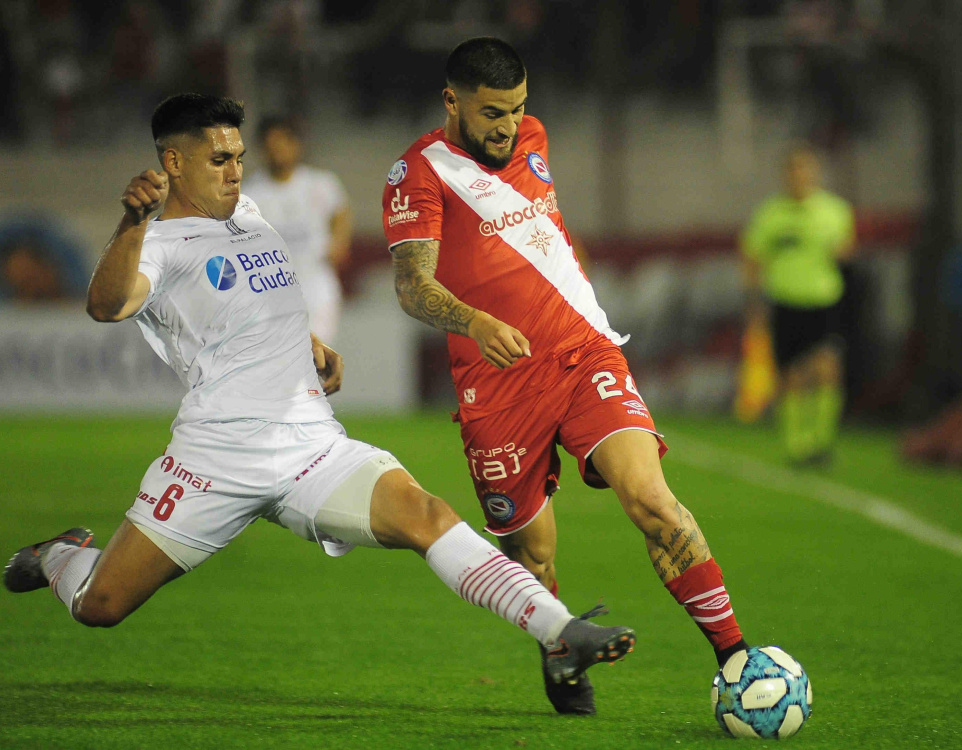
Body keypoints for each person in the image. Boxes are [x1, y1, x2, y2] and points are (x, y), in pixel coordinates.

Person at [2, 93, 636, 695]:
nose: (235, 172)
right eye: (218, 160)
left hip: (310, 444)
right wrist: (132, 220)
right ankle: (60, 557)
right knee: (101, 606)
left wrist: (307, 344)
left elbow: (254, 301)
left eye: (239, 156)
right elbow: (106, 305)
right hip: (216, 457)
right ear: (173, 162)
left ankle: (562, 632)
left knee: (427, 516)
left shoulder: (248, 215)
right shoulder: (158, 246)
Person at [382, 38, 749, 716]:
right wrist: (476, 322)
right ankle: (559, 649)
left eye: (519, 109)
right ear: (452, 101)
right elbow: (411, 287)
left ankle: (737, 657)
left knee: (652, 499)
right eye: (493, 112)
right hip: (495, 387)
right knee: (535, 553)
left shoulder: (534, 137)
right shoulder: (418, 173)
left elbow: (539, 227)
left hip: (583, 356)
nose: (509, 126)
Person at [741, 145, 855, 464]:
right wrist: (754, 301)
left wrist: (842, 253)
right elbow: (753, 258)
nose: (800, 176)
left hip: (824, 300)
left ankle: (822, 440)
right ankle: (796, 444)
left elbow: (847, 251)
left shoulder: (835, 211)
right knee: (790, 374)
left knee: (827, 367)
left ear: (815, 174)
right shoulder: (770, 214)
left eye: (806, 170)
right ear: (785, 175)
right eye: (794, 170)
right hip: (785, 301)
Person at [242, 116, 351, 343]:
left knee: (316, 358)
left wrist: (339, 242)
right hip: (270, 292)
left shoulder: (321, 183)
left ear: (296, 144)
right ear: (262, 148)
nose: (278, 150)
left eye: (283, 142)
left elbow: (340, 211)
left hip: (316, 285)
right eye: (272, 144)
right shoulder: (250, 193)